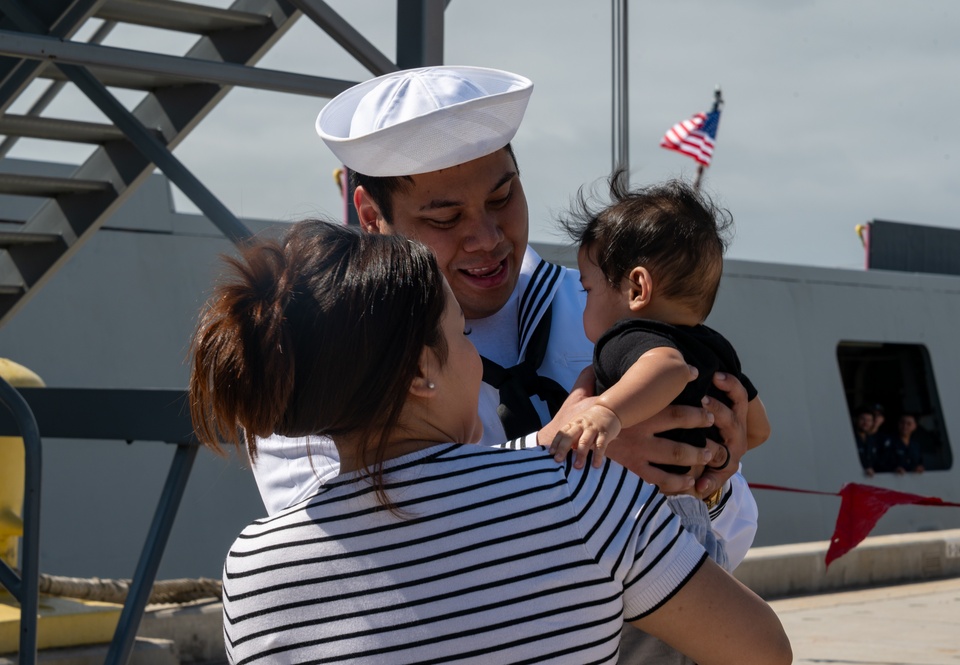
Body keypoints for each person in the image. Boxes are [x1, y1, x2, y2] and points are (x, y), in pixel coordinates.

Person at [254, 66, 764, 662]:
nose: (487, 237)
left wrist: (709, 479)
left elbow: (735, 532)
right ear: (370, 215)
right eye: (444, 219)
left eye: (503, 197)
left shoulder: (611, 307)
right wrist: (568, 467)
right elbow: (349, 554)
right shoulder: (326, 355)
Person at [189, 220, 792, 664]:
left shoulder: (251, 569)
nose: (478, 358)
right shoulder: (581, 492)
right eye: (462, 333)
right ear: (423, 372)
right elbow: (763, 650)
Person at [548, 174, 770, 476]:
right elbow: (759, 431)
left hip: (637, 505)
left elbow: (670, 368)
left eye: (586, 289)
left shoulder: (628, 337)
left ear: (637, 289)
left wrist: (606, 411)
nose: (583, 301)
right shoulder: (717, 347)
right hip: (693, 504)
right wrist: (724, 451)